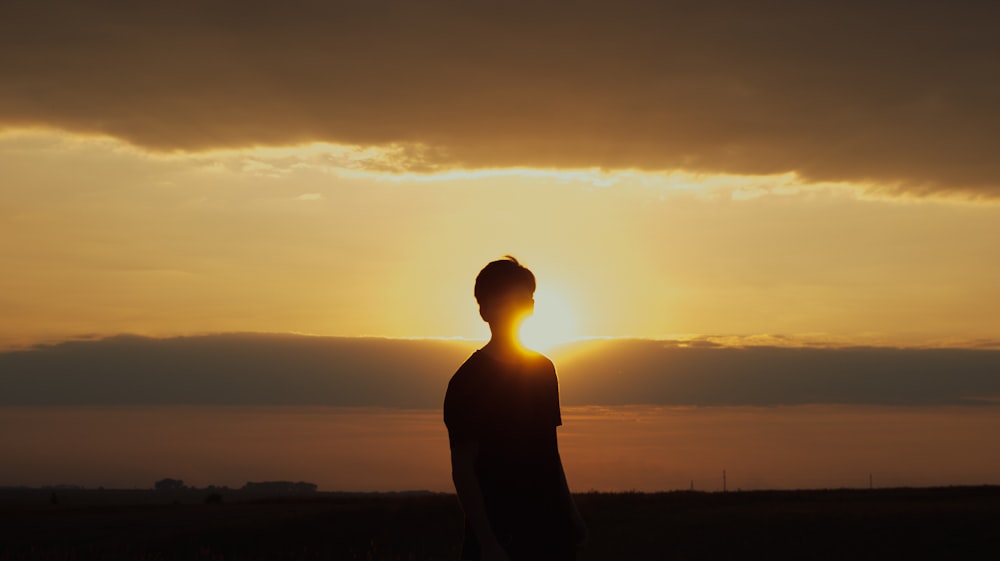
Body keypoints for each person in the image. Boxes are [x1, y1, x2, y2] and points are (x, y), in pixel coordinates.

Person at [444, 256, 586, 561]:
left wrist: (570, 514)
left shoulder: (543, 370)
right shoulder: (467, 381)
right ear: (485, 310)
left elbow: (550, 452)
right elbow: (463, 469)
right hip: (500, 535)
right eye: (512, 299)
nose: (523, 306)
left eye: (528, 299)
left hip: (550, 533)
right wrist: (489, 544)